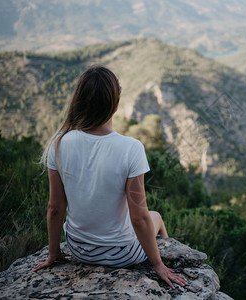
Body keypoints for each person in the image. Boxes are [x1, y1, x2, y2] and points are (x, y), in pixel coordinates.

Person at [32, 65, 187, 289]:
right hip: (121, 255)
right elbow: (139, 218)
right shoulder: (131, 148)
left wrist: (54, 253)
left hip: (78, 249)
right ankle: (162, 256)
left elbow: (55, 208)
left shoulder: (58, 142)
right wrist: (158, 266)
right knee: (156, 216)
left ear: (80, 100)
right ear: (114, 103)